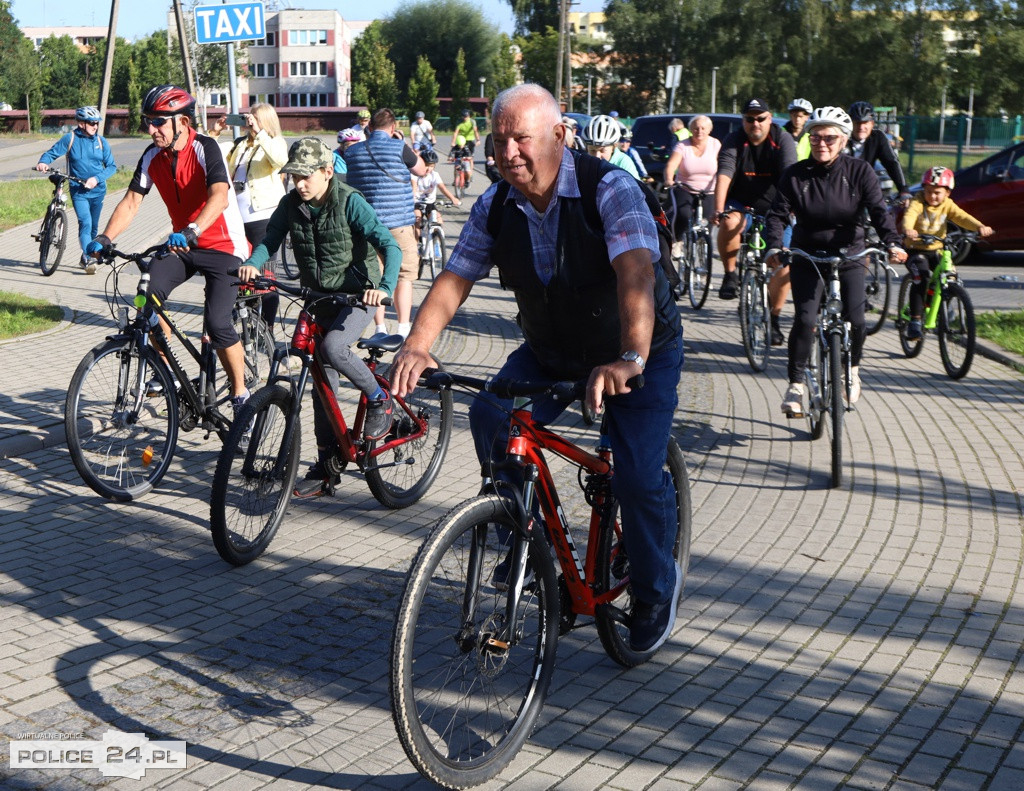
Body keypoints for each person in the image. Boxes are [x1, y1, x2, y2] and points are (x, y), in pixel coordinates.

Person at [389, 84, 685, 654]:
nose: (507, 153)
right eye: (499, 141)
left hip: (635, 349)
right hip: (552, 349)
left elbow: (635, 276)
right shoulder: (496, 203)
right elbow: (454, 279)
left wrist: (630, 358)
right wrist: (418, 344)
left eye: (519, 138)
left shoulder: (610, 188)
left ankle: (653, 590)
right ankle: (532, 546)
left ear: (558, 135)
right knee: (490, 414)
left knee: (636, 475)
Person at [237, 138, 402, 487]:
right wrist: (252, 264)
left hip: (357, 296)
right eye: (293, 176)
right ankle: (329, 459)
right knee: (319, 381)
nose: (298, 183)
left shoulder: (350, 202)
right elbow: (270, 239)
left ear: (327, 172)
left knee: (334, 349)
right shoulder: (291, 203)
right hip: (317, 296)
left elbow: (388, 244)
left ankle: (380, 398)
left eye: (305, 176)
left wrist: (383, 289)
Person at [86, 85, 252, 413]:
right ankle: (167, 374)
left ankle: (241, 394)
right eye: (148, 121)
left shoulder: (206, 148)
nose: (152, 129)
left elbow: (219, 196)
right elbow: (132, 201)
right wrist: (104, 238)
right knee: (147, 295)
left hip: (223, 246)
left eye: (159, 122)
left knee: (217, 324)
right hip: (184, 245)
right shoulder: (152, 156)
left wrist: (192, 229)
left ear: (183, 122)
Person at [764, 106, 907, 415]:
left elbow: (879, 211)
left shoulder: (859, 172)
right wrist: (774, 247)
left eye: (829, 137)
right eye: (815, 137)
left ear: (843, 140)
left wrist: (892, 242)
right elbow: (777, 215)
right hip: (808, 254)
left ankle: (853, 370)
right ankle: (796, 385)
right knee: (805, 320)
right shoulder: (796, 174)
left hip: (851, 255)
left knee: (857, 321)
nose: (822, 143)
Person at [345, 107, 428, 338]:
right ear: (393, 128)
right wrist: (402, 143)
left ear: (369, 127)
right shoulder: (399, 147)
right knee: (403, 276)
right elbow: (421, 170)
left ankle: (379, 329)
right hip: (399, 224)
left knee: (374, 278)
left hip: (366, 227)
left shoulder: (352, 152)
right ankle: (402, 328)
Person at [210, 103, 288, 332]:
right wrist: (214, 132)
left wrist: (260, 133)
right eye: (248, 118)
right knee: (244, 274)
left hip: (264, 217)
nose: (249, 121)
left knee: (264, 275)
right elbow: (211, 154)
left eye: (254, 118)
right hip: (238, 219)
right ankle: (249, 325)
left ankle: (266, 328)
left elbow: (280, 161)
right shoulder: (240, 145)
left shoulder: (274, 142)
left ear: (265, 120)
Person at [713, 98, 797, 299]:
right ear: (744, 121)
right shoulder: (734, 139)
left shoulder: (782, 139)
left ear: (769, 119)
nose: (755, 124)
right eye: (750, 119)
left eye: (760, 118)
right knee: (730, 221)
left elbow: (789, 175)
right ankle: (730, 275)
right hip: (740, 203)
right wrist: (718, 208)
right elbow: (725, 173)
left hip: (775, 207)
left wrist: (794, 207)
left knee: (783, 258)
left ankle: (774, 321)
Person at [901, 166, 993, 340]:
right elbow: (910, 215)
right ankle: (915, 320)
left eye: (937, 193)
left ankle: (945, 305)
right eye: (929, 191)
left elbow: (962, 217)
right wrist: (908, 229)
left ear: (947, 193)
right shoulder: (918, 201)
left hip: (936, 249)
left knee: (951, 276)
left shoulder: (947, 205)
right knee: (921, 279)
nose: (932, 196)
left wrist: (980, 226)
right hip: (916, 250)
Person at [35, 106, 116, 274]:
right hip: (79, 191)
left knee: (94, 227)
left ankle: (85, 255)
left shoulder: (101, 142)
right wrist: (43, 162)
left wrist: (96, 179)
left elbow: (111, 167)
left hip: (98, 191)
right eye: (92, 123)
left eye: (97, 123)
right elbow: (51, 153)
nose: (95, 126)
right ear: (81, 123)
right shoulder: (70, 139)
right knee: (85, 223)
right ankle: (88, 257)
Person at [663, 115, 720, 246]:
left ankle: (703, 250)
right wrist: (669, 179)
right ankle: (677, 241)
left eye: (703, 128)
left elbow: (723, 166)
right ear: (690, 130)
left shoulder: (715, 144)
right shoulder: (683, 145)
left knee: (707, 223)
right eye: (696, 128)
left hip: (708, 191)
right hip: (685, 187)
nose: (699, 131)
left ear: (709, 130)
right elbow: (671, 165)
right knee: (683, 214)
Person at [845, 101, 910, 198]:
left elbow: (891, 162)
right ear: (850, 123)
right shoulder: (842, 138)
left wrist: (903, 189)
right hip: (842, 189)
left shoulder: (877, 137)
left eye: (865, 122)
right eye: (857, 123)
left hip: (865, 188)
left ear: (872, 123)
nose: (861, 127)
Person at [413, 149, 461, 236]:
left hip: (430, 204)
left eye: (431, 166)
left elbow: (442, 188)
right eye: (426, 165)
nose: (428, 168)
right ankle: (415, 246)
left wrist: (453, 198)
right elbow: (414, 187)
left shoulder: (434, 175)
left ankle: (437, 242)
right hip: (417, 203)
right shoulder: (415, 174)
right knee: (417, 221)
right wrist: (412, 198)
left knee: (438, 221)